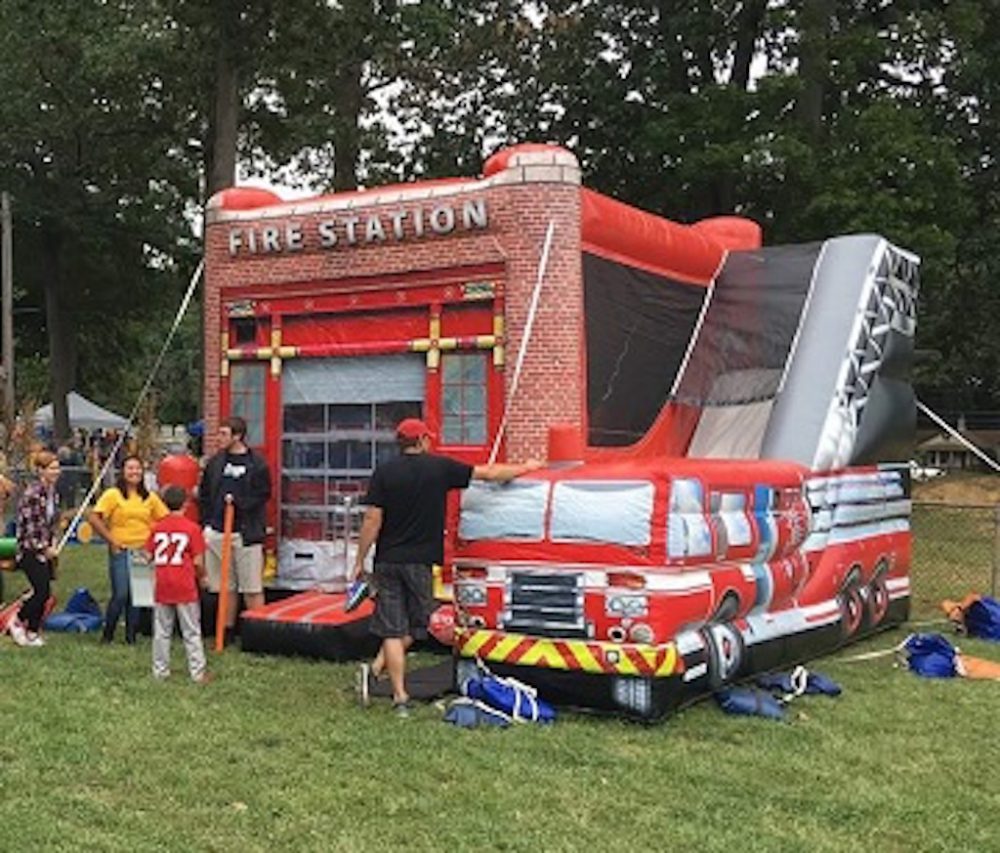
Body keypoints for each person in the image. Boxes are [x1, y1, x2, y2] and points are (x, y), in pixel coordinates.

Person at [351, 417, 543, 717]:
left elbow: (372, 519)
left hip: (387, 560)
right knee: (420, 622)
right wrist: (528, 468)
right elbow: (490, 474)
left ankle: (388, 684)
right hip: (421, 561)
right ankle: (392, 686)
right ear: (424, 441)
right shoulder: (439, 468)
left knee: (392, 628)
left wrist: (359, 560)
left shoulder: (384, 472)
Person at [198, 416, 272, 644]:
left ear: (237, 436)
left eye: (223, 434)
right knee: (224, 586)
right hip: (218, 531)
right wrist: (208, 523)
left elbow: (263, 494)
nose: (218, 439)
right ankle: (227, 631)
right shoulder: (215, 463)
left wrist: (240, 503)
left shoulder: (256, 464)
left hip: (245, 532)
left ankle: (258, 633)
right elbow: (205, 494)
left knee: (251, 586)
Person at [89, 455, 169, 644]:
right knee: (121, 593)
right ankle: (108, 633)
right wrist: (111, 540)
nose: (134, 472)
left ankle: (131, 636)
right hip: (121, 549)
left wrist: (152, 541)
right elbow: (94, 517)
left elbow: (165, 519)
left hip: (142, 550)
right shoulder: (113, 494)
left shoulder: (150, 497)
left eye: (138, 468)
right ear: (123, 472)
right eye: (130, 468)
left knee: (138, 596)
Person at [145, 485, 210, 683]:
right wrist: (203, 577)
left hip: (163, 583)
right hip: (184, 584)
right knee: (191, 630)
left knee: (162, 631)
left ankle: (160, 670)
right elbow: (198, 561)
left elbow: (148, 555)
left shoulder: (157, 528)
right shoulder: (192, 528)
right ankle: (197, 672)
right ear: (186, 503)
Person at [10, 451, 61, 647]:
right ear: (41, 470)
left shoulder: (53, 493)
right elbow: (31, 529)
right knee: (41, 591)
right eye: (52, 468)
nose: (56, 472)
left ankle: (32, 631)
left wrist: (53, 543)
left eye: (57, 468)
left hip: (46, 548)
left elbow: (51, 523)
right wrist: (44, 549)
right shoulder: (32, 494)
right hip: (29, 550)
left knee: (45, 593)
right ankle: (17, 619)